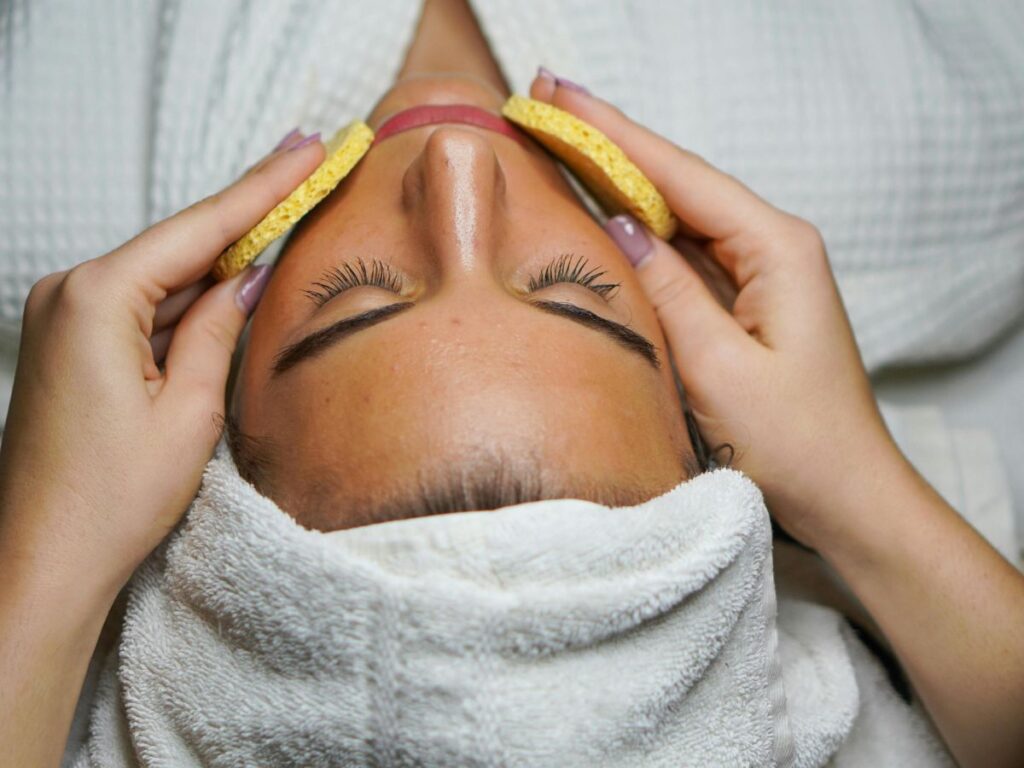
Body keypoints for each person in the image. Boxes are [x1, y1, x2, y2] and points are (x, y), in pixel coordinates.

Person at [1, 1, 1022, 766]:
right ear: (699, 391)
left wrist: (45, 567)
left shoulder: (43, 157)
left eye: (354, 299)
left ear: (210, 403)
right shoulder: (932, 163)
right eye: (576, 293)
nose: (456, 170)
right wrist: (858, 488)